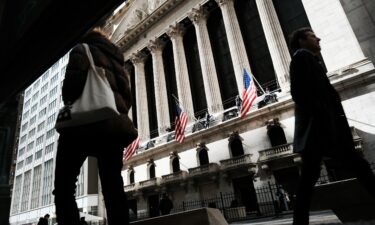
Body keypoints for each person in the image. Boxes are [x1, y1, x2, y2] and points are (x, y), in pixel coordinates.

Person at [53, 21, 137, 225]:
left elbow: (70, 91)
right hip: (111, 127)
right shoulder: (117, 58)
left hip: (79, 128)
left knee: (64, 187)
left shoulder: (81, 50)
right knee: (113, 186)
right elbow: (127, 97)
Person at [289, 27, 375, 225]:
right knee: (358, 166)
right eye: (312, 36)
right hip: (322, 130)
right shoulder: (302, 57)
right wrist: (324, 119)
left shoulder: (308, 59)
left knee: (310, 178)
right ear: (302, 41)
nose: (318, 38)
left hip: (322, 129)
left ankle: (299, 222)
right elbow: (299, 93)